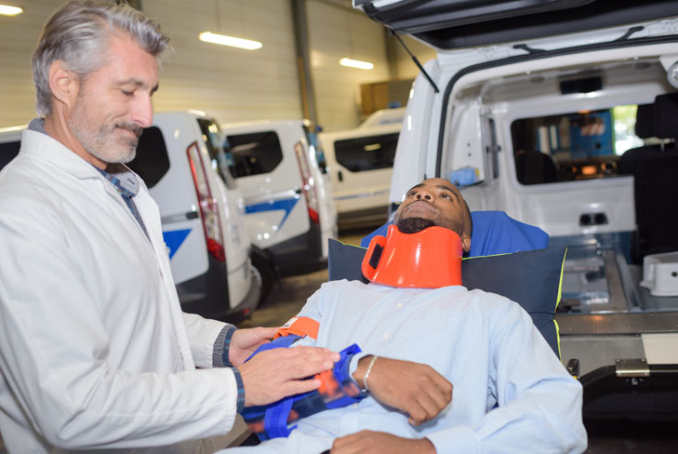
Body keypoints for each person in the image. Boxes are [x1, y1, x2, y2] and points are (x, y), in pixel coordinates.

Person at [0, 2, 338, 453]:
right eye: (128, 91)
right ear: (64, 83)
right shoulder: (21, 212)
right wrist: (237, 388)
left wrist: (221, 345)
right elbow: (73, 406)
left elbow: (133, 316)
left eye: (150, 92)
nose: (146, 115)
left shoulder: (114, 184)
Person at [225, 178, 587, 454]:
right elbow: (257, 395)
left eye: (444, 195)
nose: (423, 196)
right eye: (414, 193)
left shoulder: (493, 312)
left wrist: (428, 448)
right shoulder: (334, 296)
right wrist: (356, 371)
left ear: (464, 241)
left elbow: (558, 414)